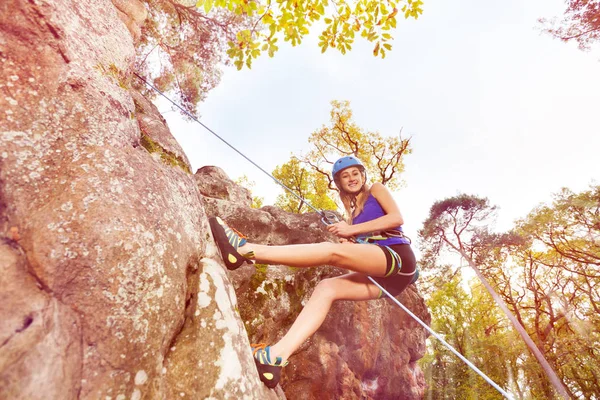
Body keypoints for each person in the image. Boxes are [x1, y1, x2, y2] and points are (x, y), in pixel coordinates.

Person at [209, 156, 417, 388]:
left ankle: (244, 250)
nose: (352, 178)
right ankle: (276, 356)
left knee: (330, 252)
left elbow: (396, 218)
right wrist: (350, 243)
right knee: (326, 288)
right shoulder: (352, 213)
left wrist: (351, 230)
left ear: (362, 175)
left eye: (355, 173)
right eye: (345, 176)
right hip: (385, 277)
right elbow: (361, 251)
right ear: (339, 183)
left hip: (398, 258)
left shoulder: (377, 190)